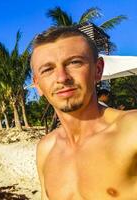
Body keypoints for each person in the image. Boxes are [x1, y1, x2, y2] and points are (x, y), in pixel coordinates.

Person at [30, 26, 137, 199]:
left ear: (98, 70)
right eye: (47, 69)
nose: (62, 77)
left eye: (74, 62)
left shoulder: (131, 130)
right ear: (37, 85)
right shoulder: (46, 149)